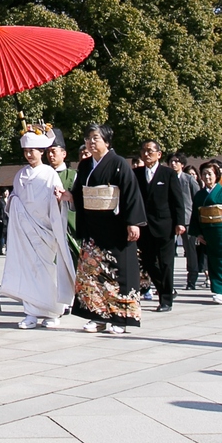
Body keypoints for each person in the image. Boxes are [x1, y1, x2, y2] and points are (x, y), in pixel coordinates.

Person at [72, 125, 146, 334]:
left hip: (115, 226)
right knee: (91, 274)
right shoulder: (85, 165)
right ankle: (97, 316)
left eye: (96, 138)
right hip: (93, 227)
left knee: (118, 273)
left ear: (107, 141)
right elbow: (80, 193)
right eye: (88, 138)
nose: (91, 142)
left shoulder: (119, 163)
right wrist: (69, 196)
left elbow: (131, 193)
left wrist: (133, 222)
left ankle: (120, 317)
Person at [2, 123, 74, 330]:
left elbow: (56, 201)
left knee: (47, 271)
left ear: (41, 152)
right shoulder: (20, 175)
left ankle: (52, 312)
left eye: (32, 151)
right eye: (25, 151)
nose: (29, 155)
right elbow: (14, 199)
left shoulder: (49, 174)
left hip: (45, 229)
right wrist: (13, 204)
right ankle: (31, 312)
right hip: (25, 230)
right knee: (28, 269)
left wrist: (58, 203)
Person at [135, 140, 187, 312]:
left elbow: (177, 200)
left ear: (159, 154)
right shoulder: (136, 173)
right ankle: (166, 289)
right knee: (149, 263)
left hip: (165, 225)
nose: (147, 153)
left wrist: (180, 222)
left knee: (166, 263)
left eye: (150, 150)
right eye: (144, 151)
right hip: (144, 226)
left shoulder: (168, 174)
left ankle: (165, 299)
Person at [191, 160, 222, 304]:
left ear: (217, 175)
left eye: (210, 174)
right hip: (208, 232)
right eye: (204, 174)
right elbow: (196, 215)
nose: (207, 177)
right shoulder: (200, 195)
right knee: (213, 262)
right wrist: (198, 233)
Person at [169, 152, 201, 289]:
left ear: (182, 164)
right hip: (170, 219)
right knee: (169, 251)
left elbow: (197, 199)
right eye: (171, 161)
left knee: (190, 251)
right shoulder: (167, 177)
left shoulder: (188, 179)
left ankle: (192, 279)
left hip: (188, 219)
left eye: (176, 161)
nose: (173, 163)